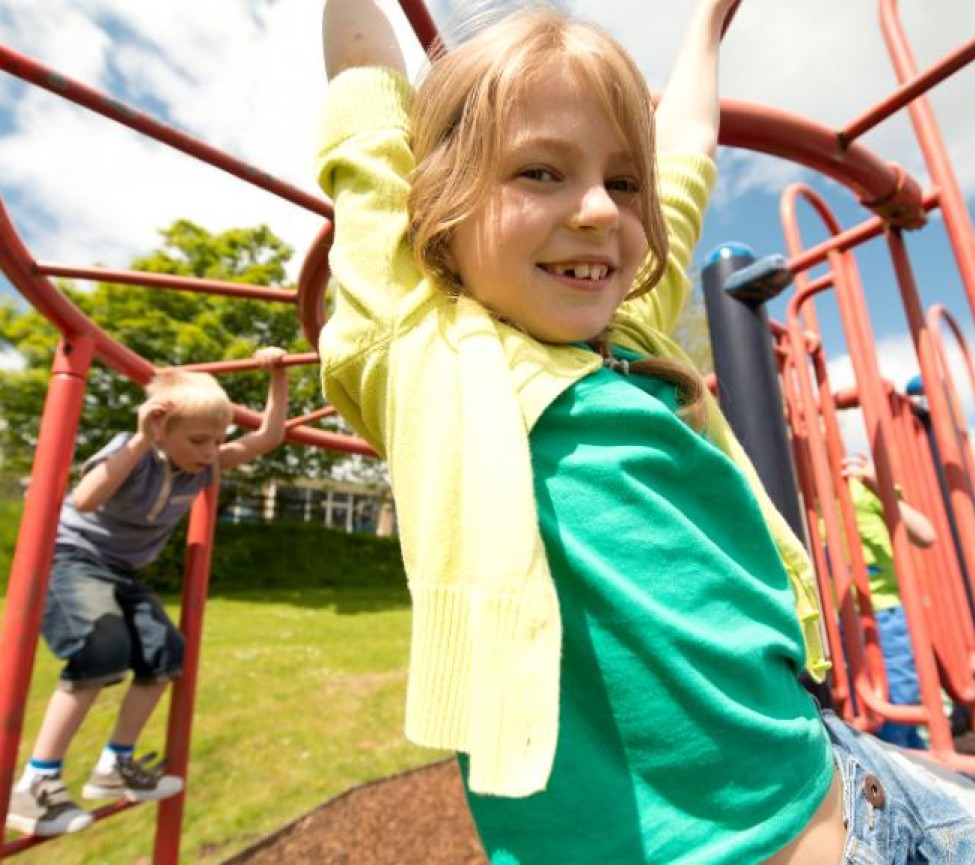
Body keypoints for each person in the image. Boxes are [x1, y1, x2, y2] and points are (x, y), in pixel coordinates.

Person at [317, 1, 975, 862]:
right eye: (539, 173)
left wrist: (705, 26)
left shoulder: (628, 334)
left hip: (838, 772)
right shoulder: (426, 352)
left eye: (619, 182)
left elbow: (685, 157)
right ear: (434, 207)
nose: (596, 208)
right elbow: (364, 95)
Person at [5, 347, 289, 837]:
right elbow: (85, 498)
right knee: (101, 650)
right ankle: (36, 782)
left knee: (165, 653)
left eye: (217, 440)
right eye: (199, 439)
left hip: (122, 572)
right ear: (161, 428)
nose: (209, 450)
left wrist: (277, 377)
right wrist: (139, 439)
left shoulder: (206, 466)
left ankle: (114, 765)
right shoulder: (132, 452)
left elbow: (268, 436)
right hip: (72, 560)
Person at [841, 450, 936, 749]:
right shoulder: (807, 497)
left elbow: (926, 533)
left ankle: (913, 773)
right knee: (866, 711)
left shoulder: (863, 488)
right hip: (844, 621)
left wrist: (875, 482)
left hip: (885, 613)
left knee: (899, 700)